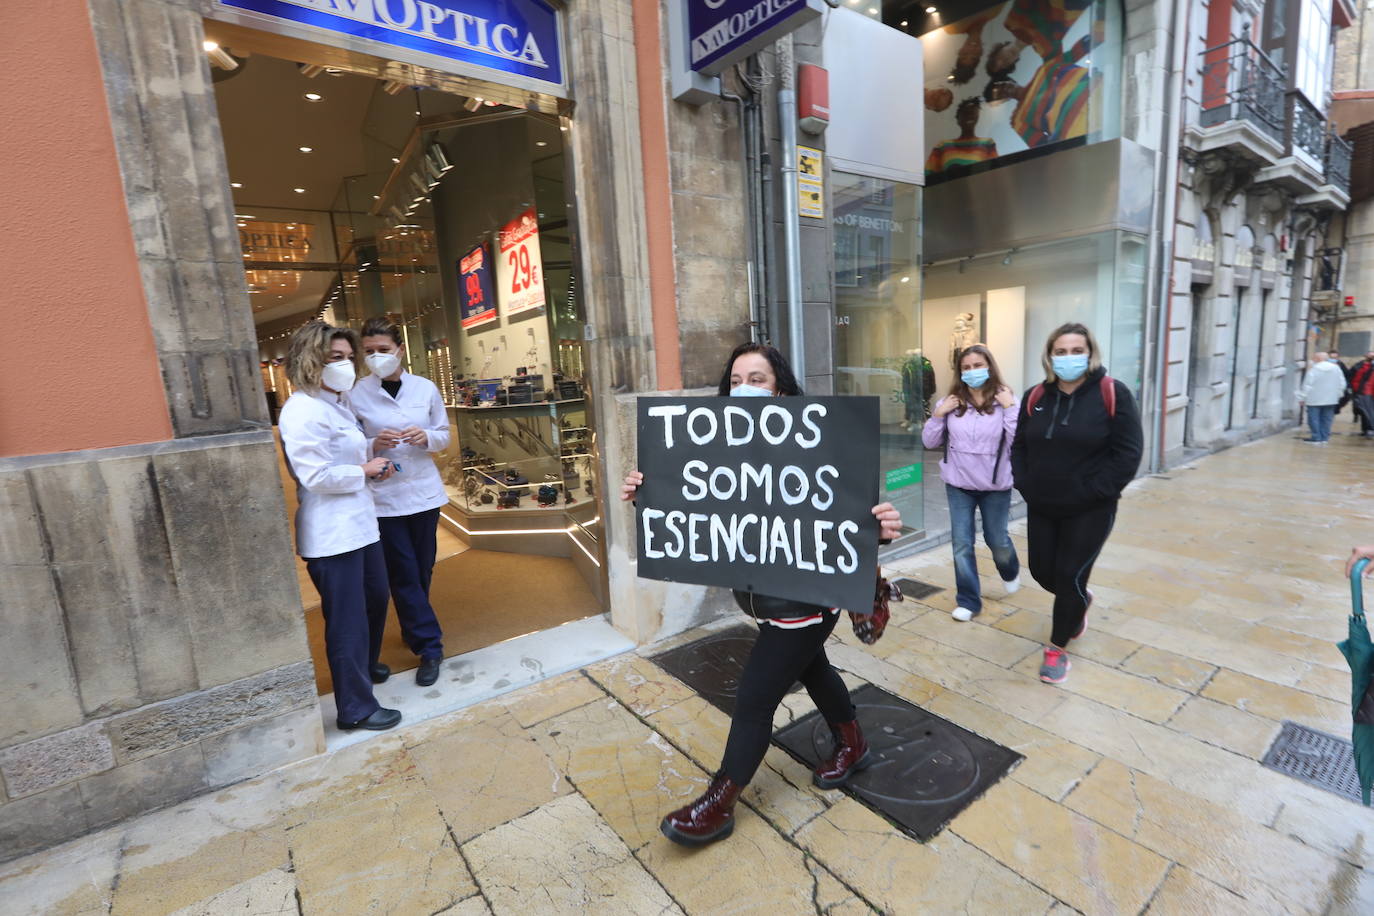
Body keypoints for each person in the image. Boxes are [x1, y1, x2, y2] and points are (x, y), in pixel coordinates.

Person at [621, 342, 903, 848]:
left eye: (758, 379)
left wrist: (880, 529)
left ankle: (719, 803)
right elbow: (696, 501)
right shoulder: (718, 450)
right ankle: (852, 744)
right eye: (736, 380)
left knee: (754, 699)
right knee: (813, 668)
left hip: (805, 603)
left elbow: (851, 513)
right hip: (762, 603)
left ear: (782, 390)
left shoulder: (816, 446)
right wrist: (652, 492)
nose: (744, 389)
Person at [279, 321, 401, 731]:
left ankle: (363, 671)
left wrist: (372, 452)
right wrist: (363, 469)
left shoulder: (337, 403)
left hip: (361, 526)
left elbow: (345, 454)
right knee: (347, 620)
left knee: (374, 600)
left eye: (350, 358)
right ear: (310, 360)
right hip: (332, 536)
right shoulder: (302, 410)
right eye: (337, 358)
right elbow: (315, 475)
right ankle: (355, 707)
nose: (347, 366)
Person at [1010, 322, 1142, 684]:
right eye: (1061, 352)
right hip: (1043, 505)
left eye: (1076, 351)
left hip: (1090, 509)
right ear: (1050, 357)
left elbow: (1128, 453)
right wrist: (1025, 484)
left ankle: (1056, 648)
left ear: (1090, 352)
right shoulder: (1035, 396)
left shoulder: (1112, 393)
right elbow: (1019, 445)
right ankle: (1079, 601)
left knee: (1068, 576)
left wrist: (1096, 491)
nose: (1068, 358)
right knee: (1041, 571)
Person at [350, 317, 451, 687]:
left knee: (422, 569)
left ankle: (414, 627)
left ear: (401, 350)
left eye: (384, 350)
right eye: (370, 352)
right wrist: (374, 446)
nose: (377, 357)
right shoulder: (356, 393)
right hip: (384, 499)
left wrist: (425, 436)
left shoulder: (424, 388)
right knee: (404, 572)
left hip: (424, 494)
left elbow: (444, 434)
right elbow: (350, 444)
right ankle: (429, 646)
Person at [923, 344, 1021, 622]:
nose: (972, 371)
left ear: (989, 366)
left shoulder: (1005, 399)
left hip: (995, 485)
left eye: (977, 365)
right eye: (966, 367)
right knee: (962, 543)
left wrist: (1010, 408)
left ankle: (1010, 568)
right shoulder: (951, 402)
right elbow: (929, 442)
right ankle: (968, 600)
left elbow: (1019, 443)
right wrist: (939, 414)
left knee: (997, 540)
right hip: (958, 484)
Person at [1297, 351, 1346, 445]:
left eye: (1314, 358)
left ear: (1318, 359)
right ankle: (1324, 437)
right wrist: (1338, 395)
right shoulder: (1336, 368)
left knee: (1313, 418)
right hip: (1331, 399)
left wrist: (1302, 398)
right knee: (1327, 419)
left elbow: (1307, 385)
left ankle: (1316, 437)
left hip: (1314, 398)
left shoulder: (1314, 370)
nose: (1312, 360)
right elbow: (1342, 383)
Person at [1350, 351, 1374, 436]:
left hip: (1367, 391)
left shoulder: (1371, 367)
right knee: (1362, 411)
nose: (1371, 356)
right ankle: (1365, 429)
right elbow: (1352, 376)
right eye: (1370, 354)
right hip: (1358, 390)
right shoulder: (1359, 365)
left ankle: (1370, 429)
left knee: (1368, 411)